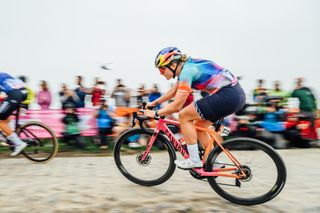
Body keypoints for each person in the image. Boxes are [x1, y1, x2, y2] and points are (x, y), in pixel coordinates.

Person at [144, 47, 246, 169]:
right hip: (235, 96)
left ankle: (194, 160)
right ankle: (213, 161)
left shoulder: (187, 72)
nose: (161, 73)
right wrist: (154, 103)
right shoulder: (188, 66)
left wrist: (156, 113)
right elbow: (174, 91)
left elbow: (177, 106)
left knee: (184, 116)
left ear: (173, 64)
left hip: (227, 96)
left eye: (162, 69)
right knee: (199, 127)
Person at [0, 72, 28, 156]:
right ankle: (10, 134)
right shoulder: (3, 74)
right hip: (23, 93)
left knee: (0, 121)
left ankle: (18, 143)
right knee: (4, 117)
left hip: (14, 96)